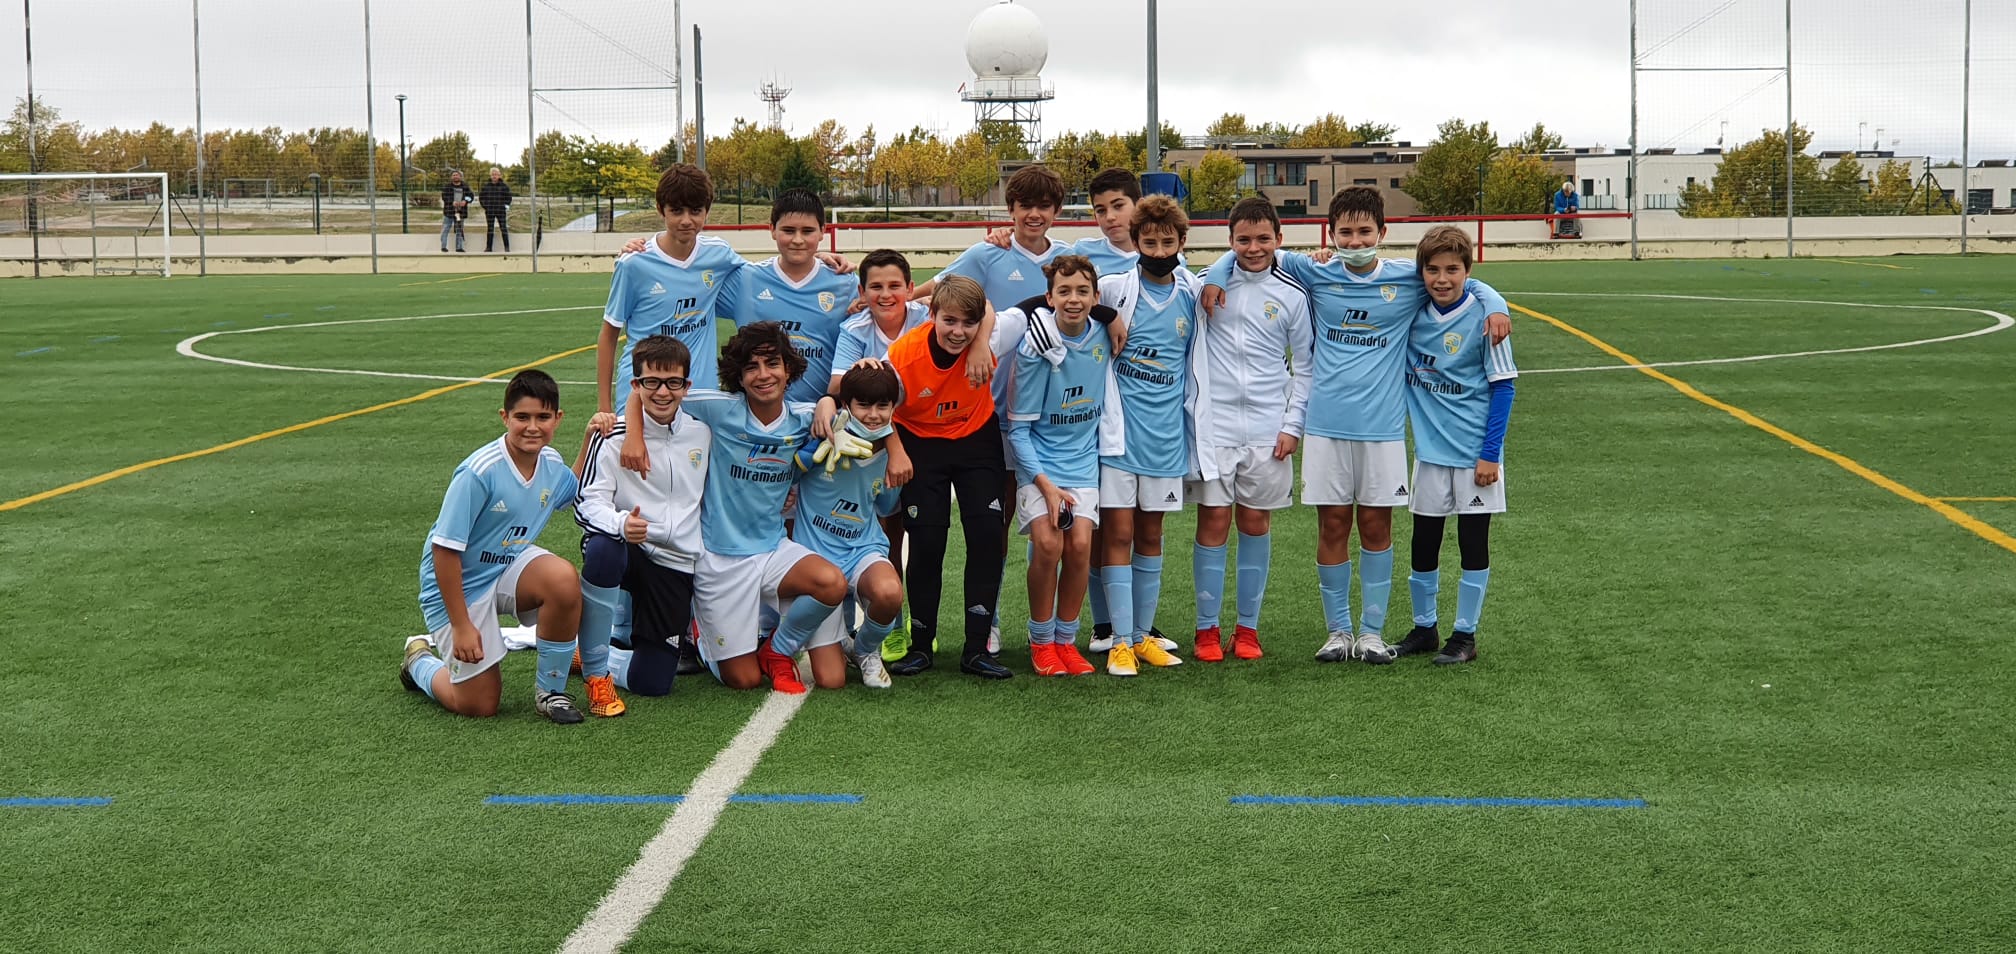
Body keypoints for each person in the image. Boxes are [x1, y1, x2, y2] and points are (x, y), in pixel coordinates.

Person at [1198, 186, 1511, 665]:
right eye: (1345, 232)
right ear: (1331, 234)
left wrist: (1496, 304)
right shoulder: (1314, 271)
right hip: (1325, 427)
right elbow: (1252, 251)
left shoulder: (1408, 278)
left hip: (1382, 431)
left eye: (1365, 232)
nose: (1355, 241)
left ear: (1382, 232)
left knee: (1375, 526)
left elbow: (1462, 280)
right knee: (1333, 526)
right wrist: (1219, 273)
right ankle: (1338, 631)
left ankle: (1371, 633)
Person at [628, 322, 851, 693]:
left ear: (788, 369)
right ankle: (702, 636)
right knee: (744, 681)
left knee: (832, 638)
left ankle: (777, 649)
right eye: (751, 367)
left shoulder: (805, 418)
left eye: (772, 363)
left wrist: (829, 401)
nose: (763, 375)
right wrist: (633, 437)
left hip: (772, 549)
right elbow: (647, 393)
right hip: (720, 560)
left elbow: (858, 417)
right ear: (739, 376)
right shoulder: (718, 409)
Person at [909, 164, 1071, 653]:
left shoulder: (1067, 258)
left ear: (1057, 211)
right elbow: (938, 290)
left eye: (1044, 206)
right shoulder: (987, 253)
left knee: (1050, 519)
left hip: (1047, 414)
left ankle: (1062, 628)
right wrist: (890, 299)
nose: (1034, 215)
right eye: (1025, 206)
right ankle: (991, 619)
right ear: (1011, 210)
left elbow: (1093, 294)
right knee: (992, 522)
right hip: (988, 410)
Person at [399, 370, 587, 723]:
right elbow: (444, 551)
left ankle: (551, 692)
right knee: (479, 705)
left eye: (543, 417)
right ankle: (419, 661)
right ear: (505, 417)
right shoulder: (478, 472)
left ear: (558, 419)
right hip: (460, 584)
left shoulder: (550, 461)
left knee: (563, 580)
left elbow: (569, 489)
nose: (533, 427)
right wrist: (461, 626)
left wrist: (591, 437)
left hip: (506, 563)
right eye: (522, 417)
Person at [1186, 197, 1313, 662]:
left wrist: (1292, 425)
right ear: (1230, 240)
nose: (1254, 248)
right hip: (1216, 427)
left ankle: (1247, 629)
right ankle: (1206, 630)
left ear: (1279, 239)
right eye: (1243, 239)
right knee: (1213, 521)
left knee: (1255, 522)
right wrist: (1218, 272)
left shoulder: (1293, 293)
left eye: (1263, 239)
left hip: (1268, 429)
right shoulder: (1207, 284)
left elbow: (1307, 366)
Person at [872, 275, 1015, 679]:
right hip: (920, 444)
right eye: (949, 321)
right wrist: (896, 452)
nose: (958, 332)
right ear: (931, 314)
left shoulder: (987, 337)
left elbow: (1020, 309)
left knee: (987, 537)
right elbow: (879, 409)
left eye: (968, 324)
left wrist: (982, 339)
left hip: (976, 439)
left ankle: (977, 649)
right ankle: (921, 647)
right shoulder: (904, 355)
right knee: (927, 541)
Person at [1393, 226, 1517, 666]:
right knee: (1423, 541)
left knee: (1472, 542)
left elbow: (1503, 388)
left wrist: (1490, 454)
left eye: (1452, 270)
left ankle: (1465, 635)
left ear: (1467, 271)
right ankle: (1425, 628)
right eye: (1432, 270)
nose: (1442, 279)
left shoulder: (1485, 320)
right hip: (1430, 453)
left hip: (1474, 455)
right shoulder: (1412, 313)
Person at [1094, 195, 1206, 676]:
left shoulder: (1194, 292)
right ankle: (1118, 640)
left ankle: (1142, 636)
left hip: (1166, 438)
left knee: (1151, 535)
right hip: (1119, 439)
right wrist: (1105, 315)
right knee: (1118, 534)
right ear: (1135, 241)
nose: (1158, 251)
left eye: (1167, 242)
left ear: (1182, 242)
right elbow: (1059, 300)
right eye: (1149, 242)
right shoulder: (1112, 288)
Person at [574, 335, 710, 705]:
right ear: (636, 385)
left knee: (653, 682)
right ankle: (595, 667)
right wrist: (620, 523)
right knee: (603, 548)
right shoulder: (613, 436)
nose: (663, 392)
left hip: (676, 562)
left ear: (687, 385)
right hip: (629, 549)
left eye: (673, 382)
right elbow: (586, 502)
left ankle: (589, 653)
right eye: (652, 382)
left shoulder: (703, 432)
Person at [1006, 255, 1109, 678]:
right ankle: (1041, 641)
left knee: (1080, 546)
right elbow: (1018, 431)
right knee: (1049, 545)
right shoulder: (1035, 348)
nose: (1073, 299)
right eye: (1063, 291)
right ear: (1049, 298)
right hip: (1040, 463)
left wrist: (1114, 319)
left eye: (1082, 291)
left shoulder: (1104, 333)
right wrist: (1046, 487)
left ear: (1096, 297)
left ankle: (1067, 641)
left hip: (1082, 463)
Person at [828, 248, 931, 662]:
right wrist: (863, 373)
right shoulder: (855, 328)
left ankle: (918, 626)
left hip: (926, 435)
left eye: (894, 286)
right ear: (862, 292)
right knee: (882, 532)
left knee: (919, 534)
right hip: (873, 442)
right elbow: (837, 386)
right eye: (875, 287)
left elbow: (968, 301)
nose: (886, 295)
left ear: (910, 288)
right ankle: (885, 626)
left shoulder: (926, 317)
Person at [791, 364, 908, 688]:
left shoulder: (892, 454)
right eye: (863, 405)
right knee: (832, 680)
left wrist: (894, 472)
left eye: (882, 406)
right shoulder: (822, 432)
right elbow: (788, 475)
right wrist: (824, 407)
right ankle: (834, 639)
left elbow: (884, 506)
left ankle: (865, 650)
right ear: (846, 405)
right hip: (816, 558)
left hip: (862, 549)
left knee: (889, 593)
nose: (873, 415)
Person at [480, 168, 513, 253]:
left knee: (503, 228)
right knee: (490, 229)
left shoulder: (504, 186)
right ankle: (488, 248)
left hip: (501, 211)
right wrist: (486, 207)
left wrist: (505, 207)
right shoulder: (486, 186)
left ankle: (507, 247)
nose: (494, 176)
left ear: (499, 175)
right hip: (490, 211)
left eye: (496, 174)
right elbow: (481, 198)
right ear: (490, 175)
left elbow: (509, 198)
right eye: (493, 174)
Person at [440, 170, 473, 253]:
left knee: (459, 229)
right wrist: (452, 202)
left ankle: (459, 247)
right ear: (451, 177)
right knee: (445, 229)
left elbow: (471, 196)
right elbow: (444, 197)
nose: (455, 176)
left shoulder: (465, 186)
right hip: (449, 212)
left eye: (457, 175)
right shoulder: (447, 187)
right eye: (454, 175)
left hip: (461, 212)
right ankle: (443, 247)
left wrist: (465, 201)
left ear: (460, 177)